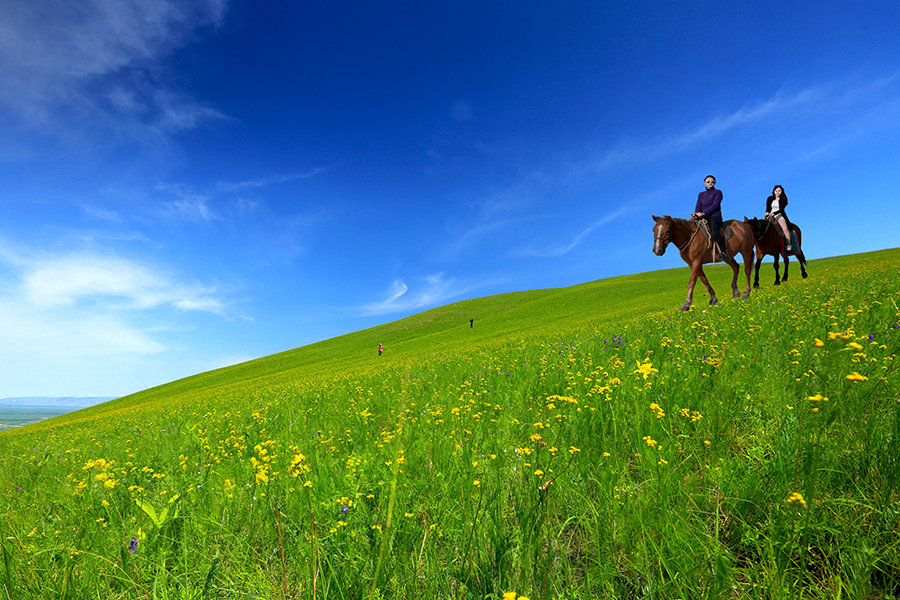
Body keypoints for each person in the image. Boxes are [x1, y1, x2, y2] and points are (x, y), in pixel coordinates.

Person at [691, 175, 728, 261]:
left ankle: (724, 251)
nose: (710, 183)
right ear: (704, 183)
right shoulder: (701, 194)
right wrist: (696, 213)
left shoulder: (718, 192)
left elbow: (715, 205)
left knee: (715, 232)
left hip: (715, 216)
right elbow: (698, 206)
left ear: (714, 183)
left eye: (712, 181)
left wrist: (704, 213)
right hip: (703, 217)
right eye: (708, 181)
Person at [765, 185, 793, 252]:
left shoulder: (783, 199)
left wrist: (774, 213)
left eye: (779, 191)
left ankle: (788, 244)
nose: (777, 192)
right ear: (774, 191)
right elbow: (768, 207)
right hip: (770, 216)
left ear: (781, 192)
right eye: (776, 191)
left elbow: (781, 209)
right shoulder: (769, 198)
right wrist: (767, 212)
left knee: (785, 229)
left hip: (779, 215)